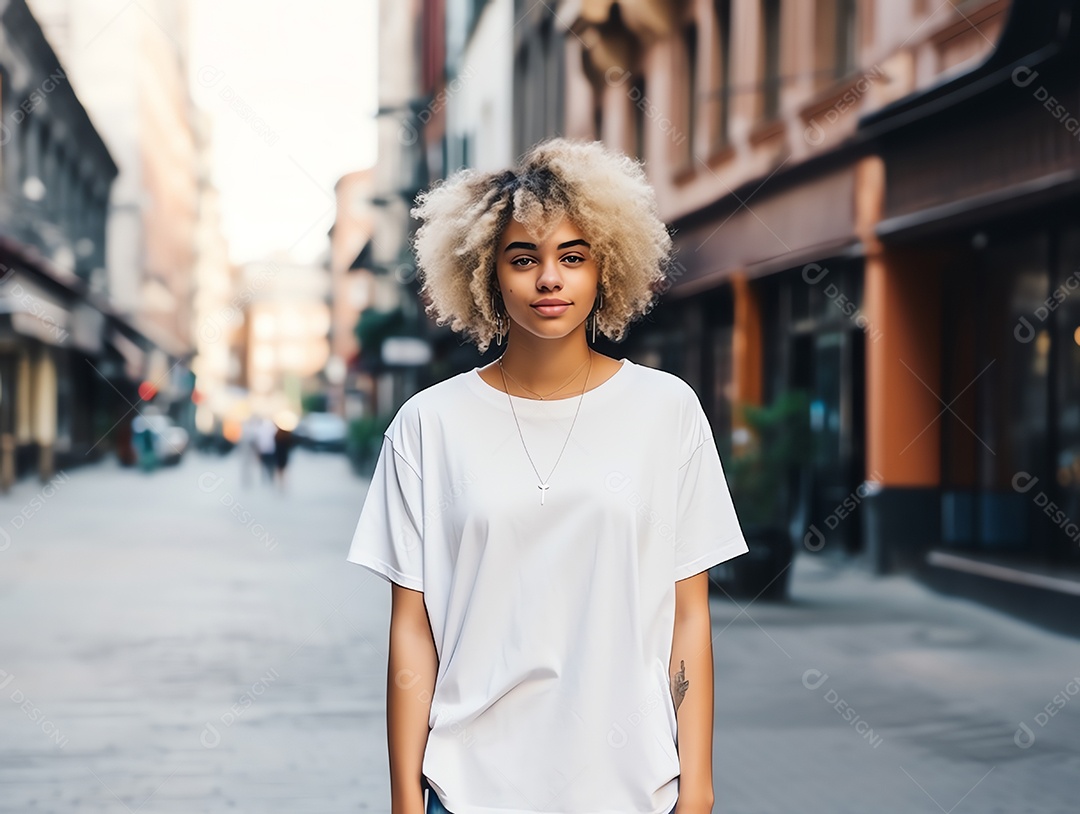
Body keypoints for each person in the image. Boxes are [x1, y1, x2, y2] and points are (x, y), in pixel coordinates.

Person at [345, 138, 749, 814]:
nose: (550, 280)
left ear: (606, 267)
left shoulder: (667, 411)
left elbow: (689, 614)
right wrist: (404, 802)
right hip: (469, 788)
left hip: (631, 791)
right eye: (524, 258)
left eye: (572, 256)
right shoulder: (428, 425)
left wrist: (699, 788)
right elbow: (411, 628)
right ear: (486, 273)